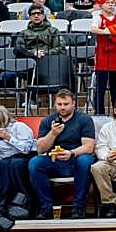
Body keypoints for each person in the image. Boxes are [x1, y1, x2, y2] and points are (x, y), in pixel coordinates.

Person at [29, 89, 96, 219]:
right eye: (59, 104)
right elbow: (41, 149)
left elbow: (89, 147)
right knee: (34, 163)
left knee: (85, 161)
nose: (62, 107)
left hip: (75, 159)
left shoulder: (84, 119)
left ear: (73, 104)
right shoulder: (48, 121)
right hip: (54, 161)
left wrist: (71, 153)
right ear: (55, 104)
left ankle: (78, 206)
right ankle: (46, 206)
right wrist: (53, 133)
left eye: (66, 104)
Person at [0, 104, 35, 216]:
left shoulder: (19, 127)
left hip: (26, 156)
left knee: (15, 164)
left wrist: (9, 138)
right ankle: (0, 198)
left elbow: (26, 149)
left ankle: (23, 199)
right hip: (8, 160)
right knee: (1, 165)